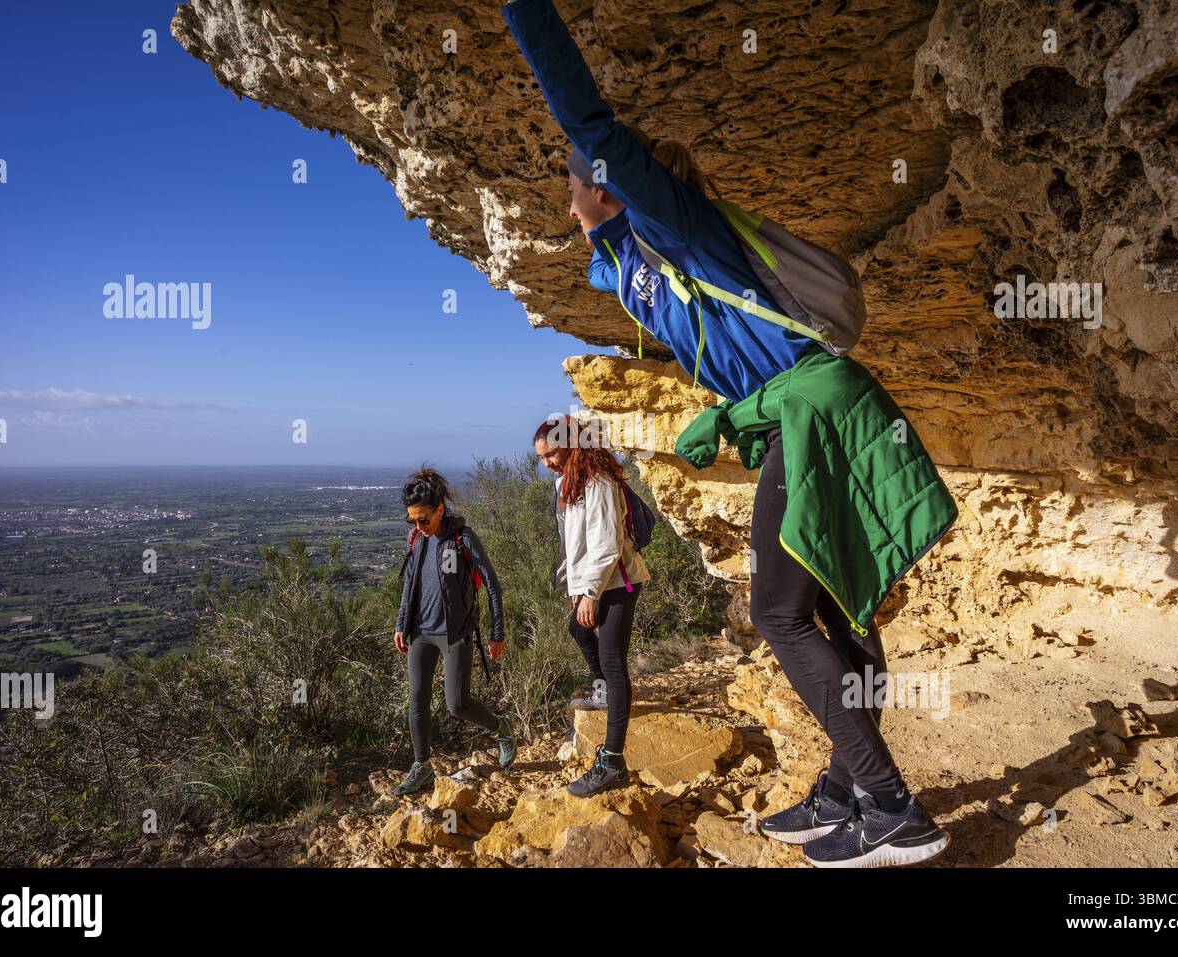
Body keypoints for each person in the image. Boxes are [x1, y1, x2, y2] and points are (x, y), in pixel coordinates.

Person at [504, 0, 957, 866]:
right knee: (832, 605)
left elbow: (585, 118)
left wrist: (525, 14)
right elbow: (622, 271)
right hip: (804, 413)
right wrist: (731, 415)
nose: (566, 203)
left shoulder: (680, 229)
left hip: (820, 412)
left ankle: (892, 804)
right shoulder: (638, 266)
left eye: (572, 186)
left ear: (607, 182)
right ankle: (845, 784)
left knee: (779, 613)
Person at [534, 416, 649, 797]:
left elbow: (606, 543)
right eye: (542, 457)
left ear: (571, 444)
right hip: (597, 582)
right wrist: (574, 584)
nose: (547, 461)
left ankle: (613, 761)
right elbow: (573, 543)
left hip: (617, 580)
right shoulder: (568, 482)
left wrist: (591, 593)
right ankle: (602, 692)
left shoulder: (598, 479)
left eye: (551, 453)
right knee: (579, 630)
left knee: (614, 662)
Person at [391, 467, 515, 795]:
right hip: (421, 633)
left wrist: (496, 632)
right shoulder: (417, 539)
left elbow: (491, 583)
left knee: (457, 704)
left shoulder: (462, 538)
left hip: (455, 633)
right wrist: (401, 623)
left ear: (440, 510)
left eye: (423, 519)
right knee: (416, 700)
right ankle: (422, 767)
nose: (418, 526)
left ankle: (499, 726)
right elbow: (410, 582)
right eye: (413, 520)